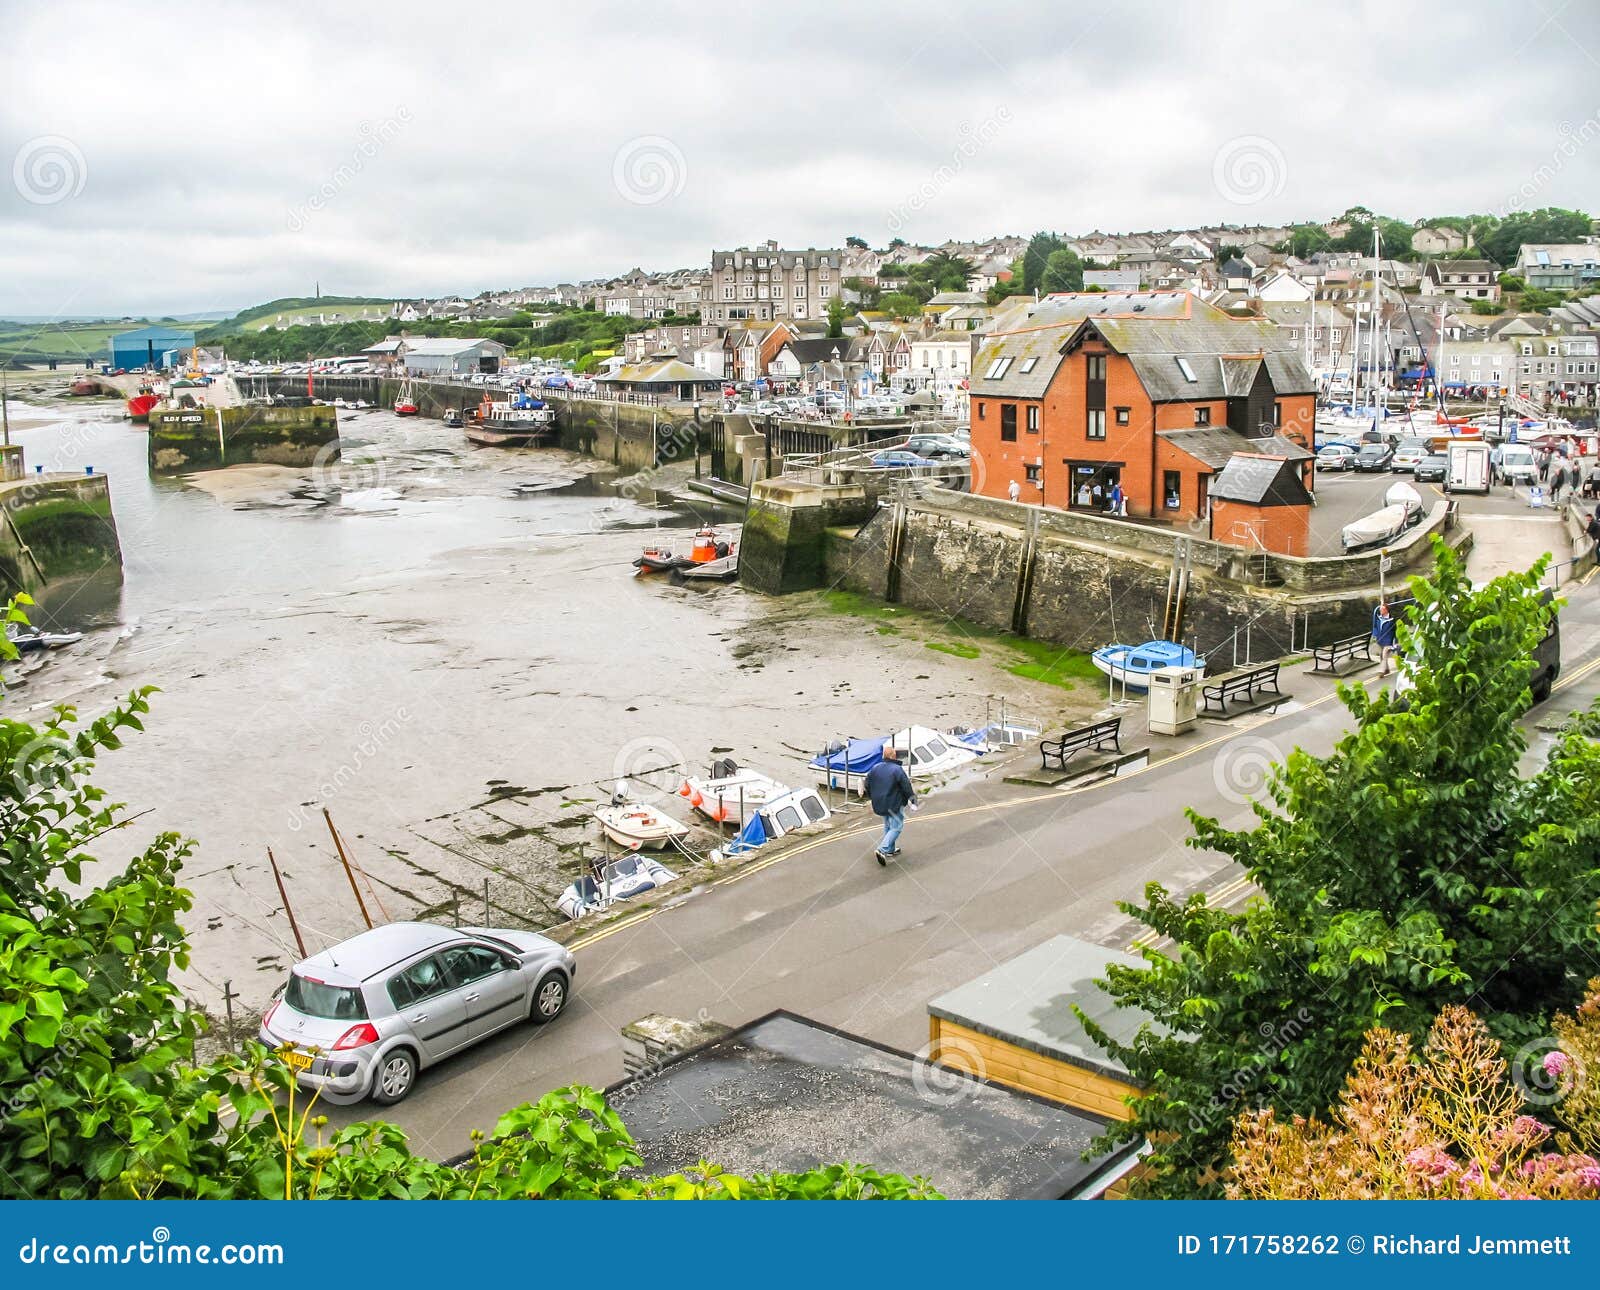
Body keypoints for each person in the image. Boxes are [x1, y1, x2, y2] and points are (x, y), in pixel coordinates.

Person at [864, 745, 917, 866]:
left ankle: (890, 850)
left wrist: (872, 796)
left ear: (884, 756)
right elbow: (906, 786)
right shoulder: (897, 770)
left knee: (888, 826)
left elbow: (867, 784)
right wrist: (913, 801)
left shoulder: (875, 768)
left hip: (880, 803)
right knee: (896, 827)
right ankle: (882, 849)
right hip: (894, 803)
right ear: (894, 756)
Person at [1372, 601, 1398, 677]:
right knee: (1381, 655)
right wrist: (1375, 635)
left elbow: (1395, 632)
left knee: (1384, 655)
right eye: (1380, 609)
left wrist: (1395, 642)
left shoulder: (1392, 620)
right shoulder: (1378, 618)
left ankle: (1381, 671)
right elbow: (1375, 627)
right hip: (1380, 640)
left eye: (1382, 609)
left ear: (1386, 610)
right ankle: (1387, 669)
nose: (1380, 611)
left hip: (1388, 642)